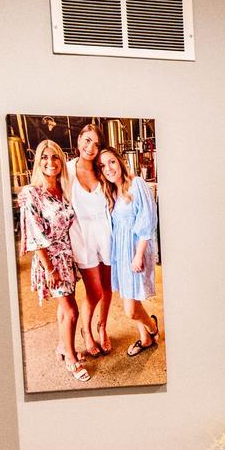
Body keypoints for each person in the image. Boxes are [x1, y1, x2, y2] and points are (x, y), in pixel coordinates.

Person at [17, 139, 88, 382]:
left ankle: (62, 346)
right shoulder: (31, 194)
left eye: (55, 157)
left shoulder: (62, 189)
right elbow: (35, 234)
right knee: (71, 311)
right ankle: (70, 357)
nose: (51, 162)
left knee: (63, 308)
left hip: (66, 256)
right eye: (45, 158)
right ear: (38, 162)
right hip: (50, 260)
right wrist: (49, 268)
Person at [98, 148, 162, 356]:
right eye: (103, 166)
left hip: (136, 252)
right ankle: (145, 340)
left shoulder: (136, 184)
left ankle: (152, 329)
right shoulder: (112, 192)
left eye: (111, 162)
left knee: (130, 310)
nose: (108, 168)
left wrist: (138, 254)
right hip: (121, 254)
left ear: (120, 162)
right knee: (134, 299)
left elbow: (147, 220)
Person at [64, 122, 115, 359]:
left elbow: (121, 181)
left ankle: (102, 327)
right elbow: (45, 187)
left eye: (96, 143)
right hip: (82, 237)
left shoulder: (101, 169)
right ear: (79, 140)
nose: (91, 147)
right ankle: (86, 330)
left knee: (107, 287)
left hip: (106, 234)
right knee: (94, 291)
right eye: (87, 140)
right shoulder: (66, 169)